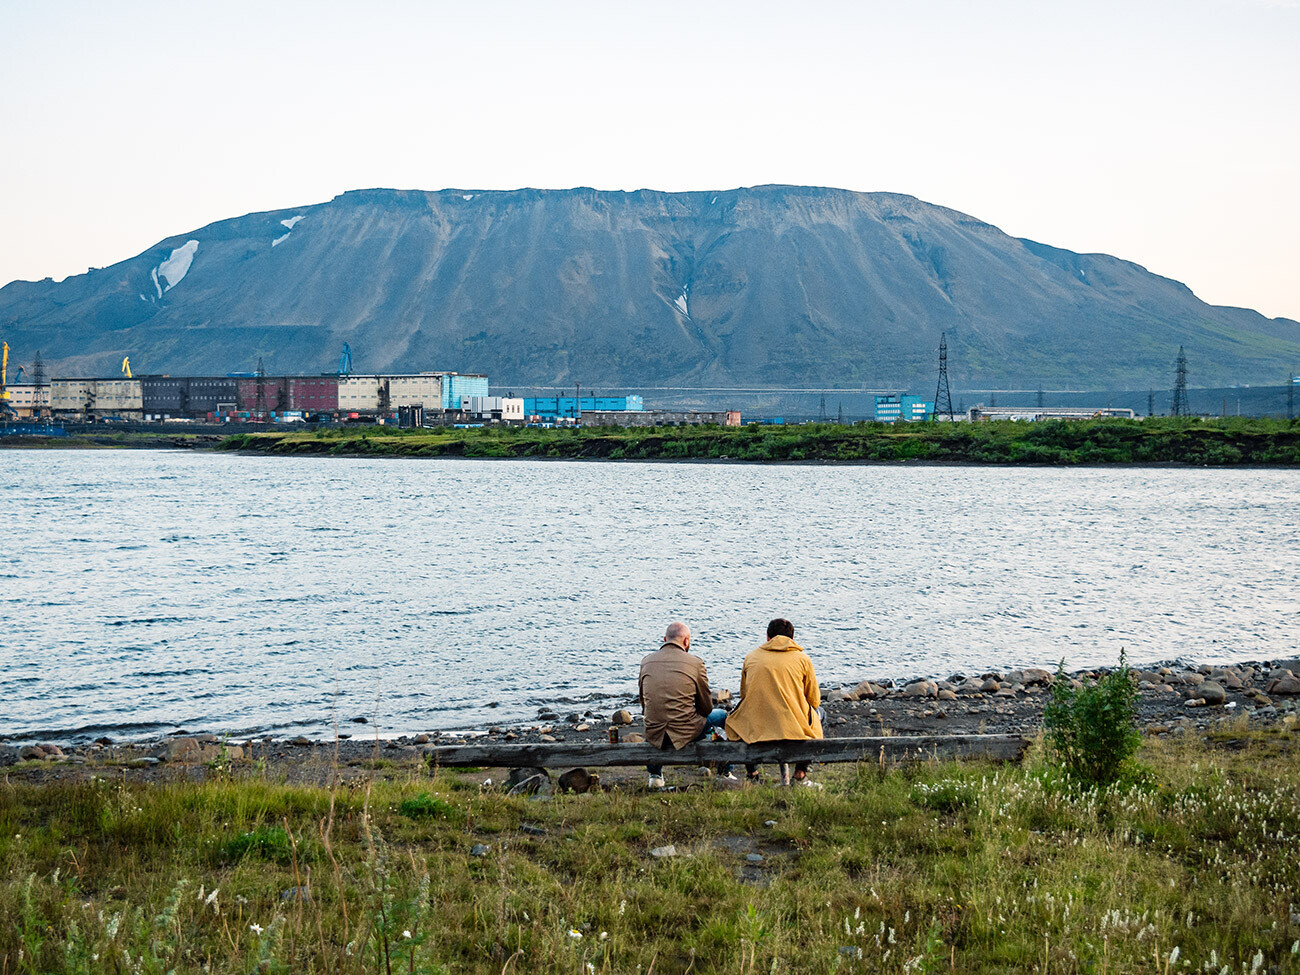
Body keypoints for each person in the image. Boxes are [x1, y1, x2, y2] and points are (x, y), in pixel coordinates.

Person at [725, 618, 824, 787]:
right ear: (792, 638)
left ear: (767, 637)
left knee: (742, 719)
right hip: (794, 729)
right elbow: (814, 700)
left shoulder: (751, 657)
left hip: (758, 729)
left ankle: (752, 773)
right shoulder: (802, 659)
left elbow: (744, 695)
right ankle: (800, 774)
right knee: (821, 714)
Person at [638, 621, 732, 788]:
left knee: (655, 717)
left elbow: (644, 702)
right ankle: (724, 771)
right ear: (686, 641)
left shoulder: (646, 662)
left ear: (665, 639)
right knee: (722, 716)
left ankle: (655, 775)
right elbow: (706, 707)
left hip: (655, 730)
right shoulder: (695, 663)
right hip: (685, 731)